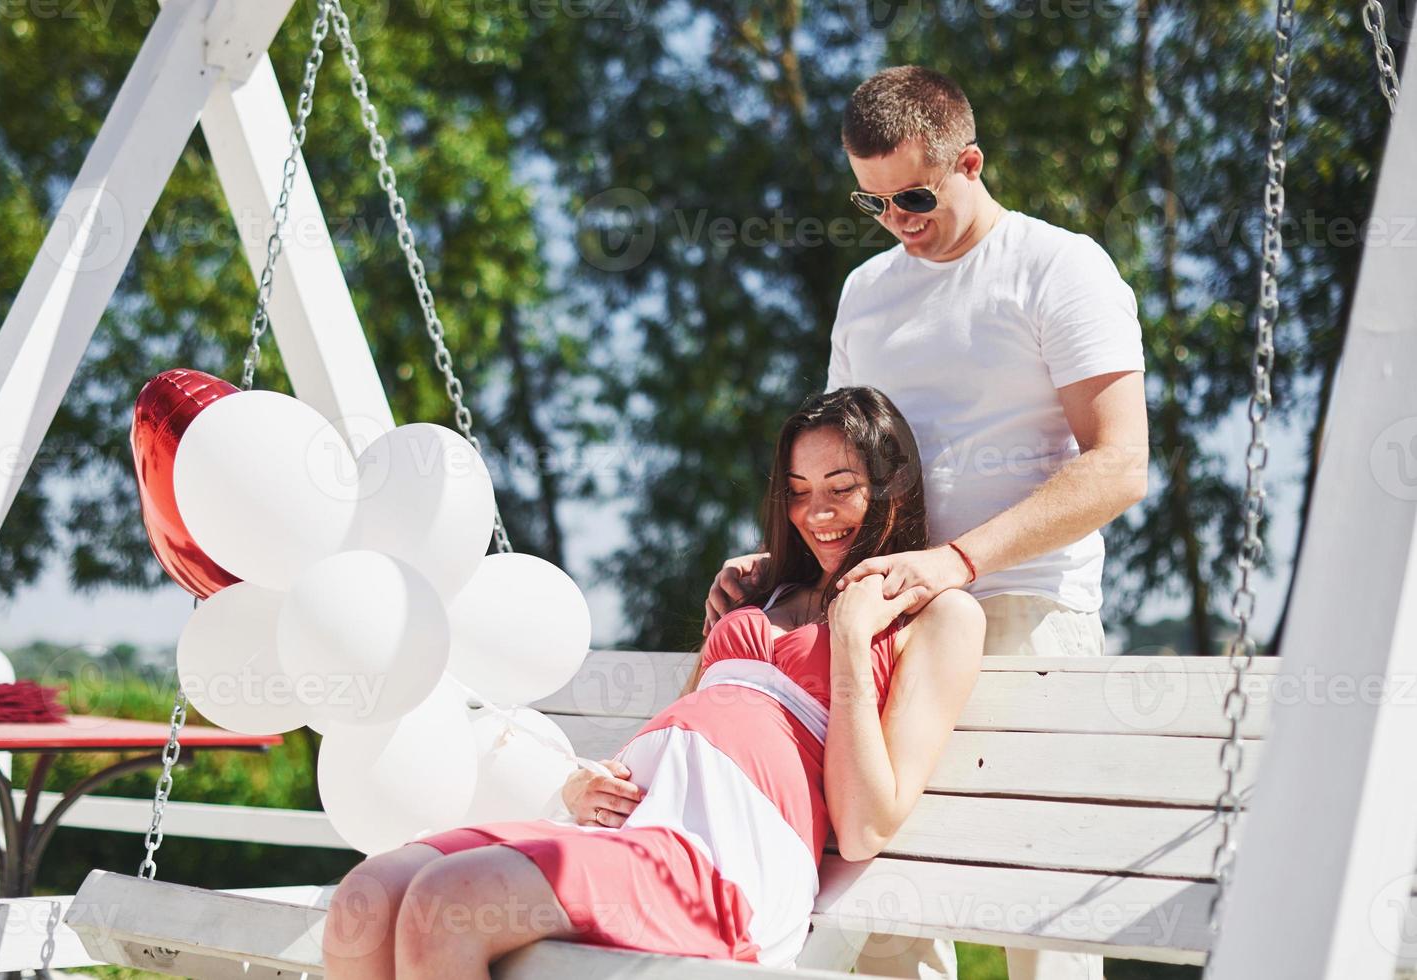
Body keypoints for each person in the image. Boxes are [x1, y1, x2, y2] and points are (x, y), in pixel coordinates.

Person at [701, 67, 1148, 980]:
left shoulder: (1059, 267)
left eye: (913, 195)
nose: (898, 220)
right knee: (876, 907)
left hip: (1024, 612)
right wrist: (786, 556)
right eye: (873, 204)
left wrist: (957, 559)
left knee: (1036, 909)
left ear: (969, 161)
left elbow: (1118, 464)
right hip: (881, 617)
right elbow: (842, 457)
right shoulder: (866, 291)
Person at [322, 386, 985, 980]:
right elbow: (695, 721)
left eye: (841, 487)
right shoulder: (765, 591)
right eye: (799, 490)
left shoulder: (936, 617)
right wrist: (589, 785)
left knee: (447, 906)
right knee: (366, 899)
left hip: (724, 863)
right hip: (632, 831)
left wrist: (847, 631)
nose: (817, 513)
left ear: (892, 488)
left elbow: (866, 825)